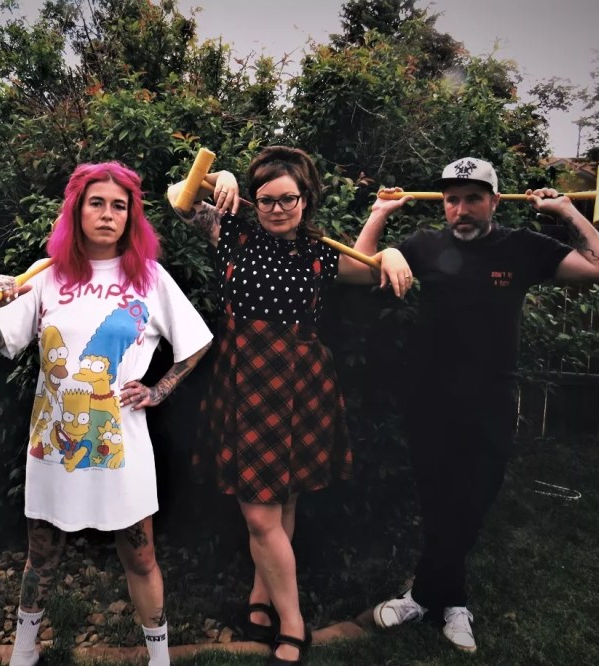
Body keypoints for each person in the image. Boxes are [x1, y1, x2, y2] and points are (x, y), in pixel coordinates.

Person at [360, 158, 599, 653]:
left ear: (495, 201)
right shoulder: (423, 245)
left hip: (490, 401)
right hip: (429, 399)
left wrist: (568, 212)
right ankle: (453, 603)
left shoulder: (521, 247)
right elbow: (355, 271)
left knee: (473, 501)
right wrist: (382, 224)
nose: (461, 209)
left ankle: (421, 595)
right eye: (452, 199)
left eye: (473, 198)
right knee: (438, 501)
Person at [167, 146, 413, 665]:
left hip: (300, 378)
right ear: (253, 201)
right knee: (261, 513)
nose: (278, 209)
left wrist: (385, 241)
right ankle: (294, 620)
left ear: (306, 198)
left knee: (283, 501)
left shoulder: (320, 252)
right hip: (245, 376)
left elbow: (365, 270)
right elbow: (177, 198)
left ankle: (264, 596)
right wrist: (221, 176)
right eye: (266, 200)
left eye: (289, 199)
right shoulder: (231, 232)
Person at [0, 162, 213, 666]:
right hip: (52, 448)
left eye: (119, 206)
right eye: (96, 203)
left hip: (121, 448)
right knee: (41, 553)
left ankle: (159, 657)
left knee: (141, 554)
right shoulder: (47, 276)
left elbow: (195, 343)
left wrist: (159, 389)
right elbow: (0, 343)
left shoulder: (148, 277)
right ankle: (24, 650)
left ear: (131, 217)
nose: (107, 214)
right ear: (77, 210)